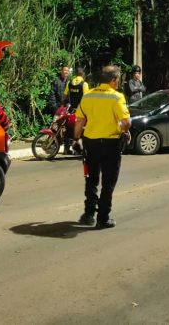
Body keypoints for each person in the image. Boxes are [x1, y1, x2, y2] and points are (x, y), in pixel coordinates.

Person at [72, 65, 131, 229]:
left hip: (90, 143)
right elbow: (126, 122)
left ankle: (89, 214)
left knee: (91, 179)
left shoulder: (88, 95)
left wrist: (76, 139)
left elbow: (80, 120)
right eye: (118, 79)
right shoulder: (116, 97)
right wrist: (124, 131)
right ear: (113, 80)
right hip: (111, 144)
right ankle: (103, 218)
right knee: (108, 182)